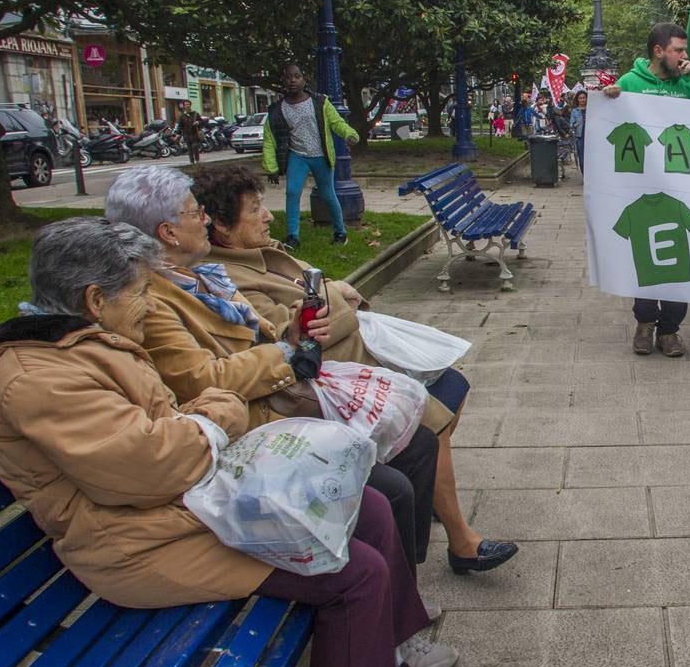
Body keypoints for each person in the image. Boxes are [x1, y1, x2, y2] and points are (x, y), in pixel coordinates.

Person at [0, 217, 442, 667]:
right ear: (94, 299)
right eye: (141, 292)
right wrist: (213, 417)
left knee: (371, 507)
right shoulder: (43, 377)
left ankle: (385, 660)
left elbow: (174, 434)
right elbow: (156, 466)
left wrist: (198, 423)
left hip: (181, 508)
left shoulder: (84, 344)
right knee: (356, 574)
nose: (150, 305)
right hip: (137, 545)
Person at [102, 168, 460, 667]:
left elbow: (263, 332)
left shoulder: (202, 275)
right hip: (253, 424)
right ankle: (393, 621)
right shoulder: (157, 300)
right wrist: (286, 356)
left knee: (417, 444)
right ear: (166, 232)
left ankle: (401, 597)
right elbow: (203, 380)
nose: (202, 219)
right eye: (192, 212)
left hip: (268, 404)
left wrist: (289, 335)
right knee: (388, 487)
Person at [192, 163, 520, 574]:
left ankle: (434, 492)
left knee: (453, 384)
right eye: (255, 208)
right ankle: (462, 543)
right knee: (431, 426)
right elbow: (299, 334)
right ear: (221, 225)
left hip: (358, 360)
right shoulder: (230, 278)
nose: (269, 215)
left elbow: (322, 307)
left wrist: (336, 299)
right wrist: (337, 294)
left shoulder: (259, 253)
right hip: (328, 380)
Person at [602, 21, 690, 358]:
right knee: (647, 259)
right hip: (643, 192)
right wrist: (609, 99)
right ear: (658, 51)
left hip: (685, 190)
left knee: (681, 261)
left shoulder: (689, 81)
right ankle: (645, 324)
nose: (684, 56)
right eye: (678, 50)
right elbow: (608, 124)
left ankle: (670, 330)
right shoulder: (631, 82)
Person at [261, 62, 358, 251]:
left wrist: (349, 134)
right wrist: (271, 167)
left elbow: (336, 122)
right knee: (292, 192)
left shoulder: (320, 102)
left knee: (328, 194)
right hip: (298, 157)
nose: (292, 80)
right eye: (288, 77)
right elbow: (269, 138)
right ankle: (292, 237)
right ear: (283, 80)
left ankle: (340, 232)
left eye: (296, 76)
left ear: (304, 79)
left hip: (321, 156)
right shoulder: (277, 109)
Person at [570, 90, 588, 172]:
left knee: (591, 158)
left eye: (584, 97)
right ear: (577, 99)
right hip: (580, 137)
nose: (582, 99)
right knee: (582, 158)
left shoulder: (592, 109)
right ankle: (584, 176)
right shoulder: (575, 111)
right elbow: (571, 125)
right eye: (580, 98)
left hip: (591, 136)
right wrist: (574, 125)